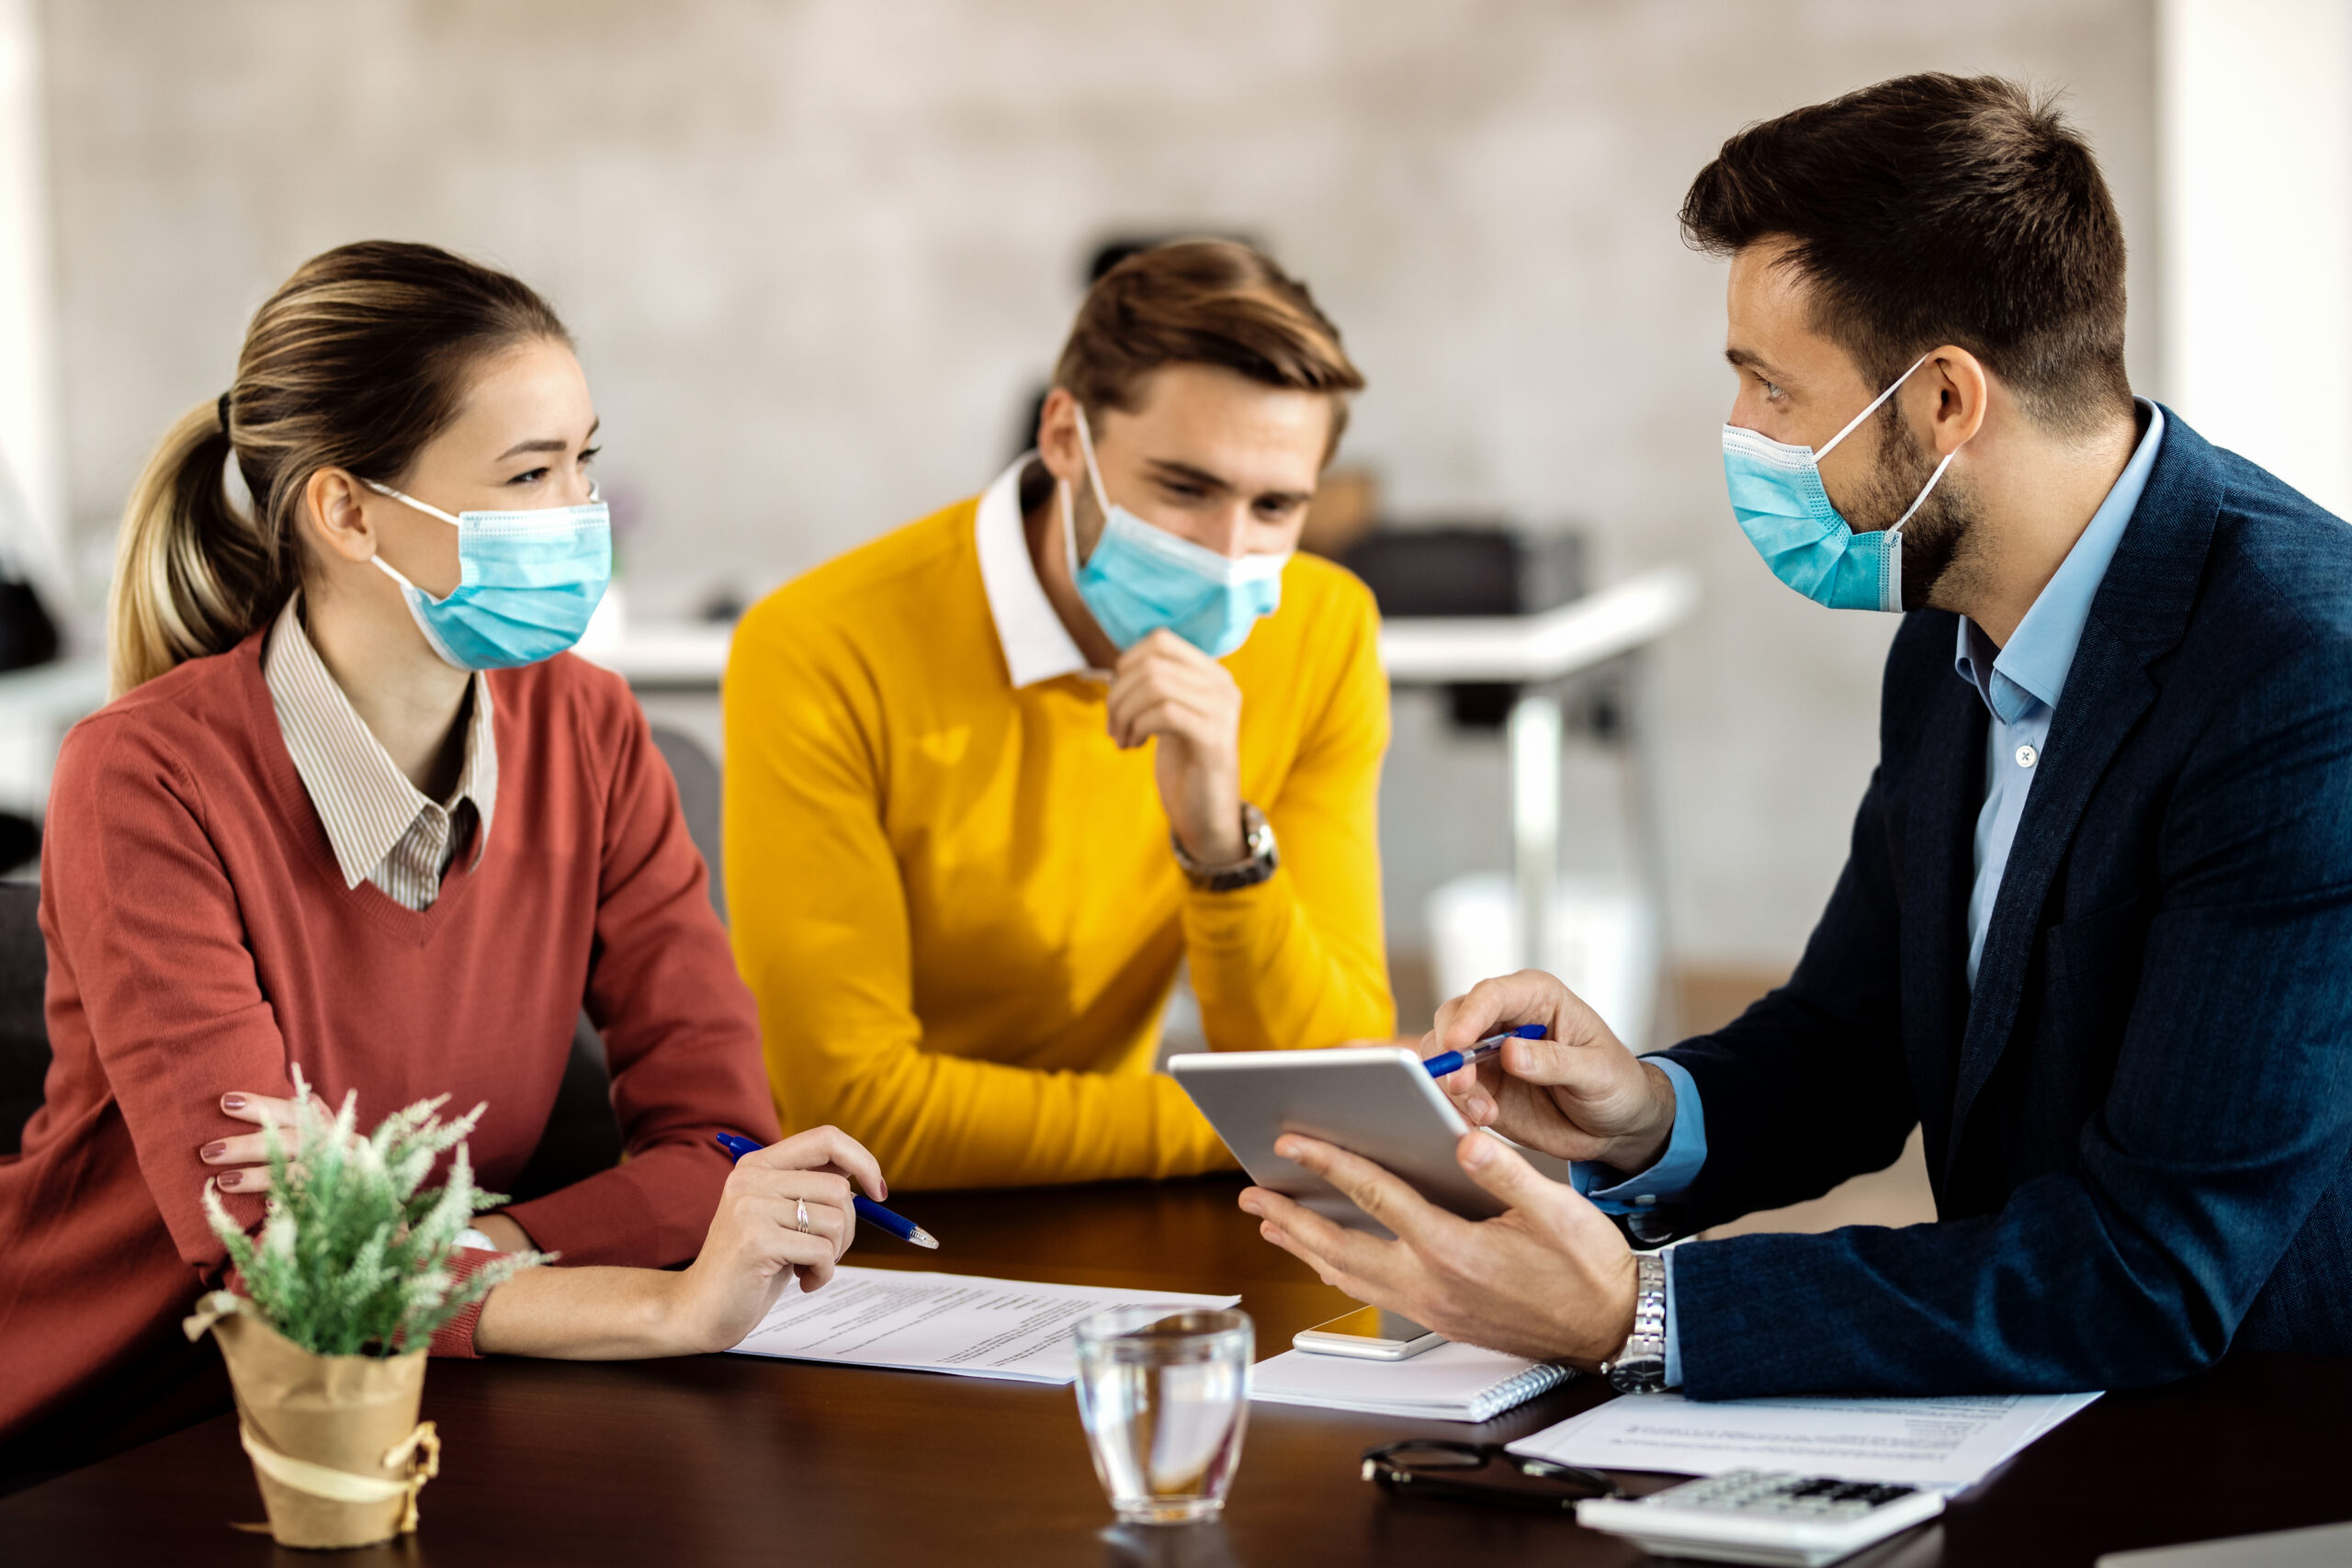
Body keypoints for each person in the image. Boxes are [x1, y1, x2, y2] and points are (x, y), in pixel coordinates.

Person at [1238, 74, 2352, 1396]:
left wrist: (1636, 1309)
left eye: (1775, 387)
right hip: (2032, 1407)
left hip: (2257, 1448)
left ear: (1947, 401)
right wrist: (1644, 1108)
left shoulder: (2303, 681)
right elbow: (1853, 1036)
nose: (1743, 435)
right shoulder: (1948, 631)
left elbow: (2152, 1267)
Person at [0, 242, 889, 1478]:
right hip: (114, 1427)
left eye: (584, 458)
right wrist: (658, 1304)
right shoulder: (143, 775)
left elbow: (725, 1149)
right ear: (348, 509)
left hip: (416, 1404)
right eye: (529, 473)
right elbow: (274, 1262)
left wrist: (425, 1244)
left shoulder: (590, 728)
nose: (578, 513)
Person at [727, 240, 1394, 1190]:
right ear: (1062, 437)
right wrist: (1260, 1128)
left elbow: (1324, 1056)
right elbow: (860, 1114)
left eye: (1277, 505)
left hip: (1117, 1214)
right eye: (1184, 488)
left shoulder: (1323, 629)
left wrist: (1219, 845)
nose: (1229, 551)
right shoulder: (819, 647)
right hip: (845, 1231)